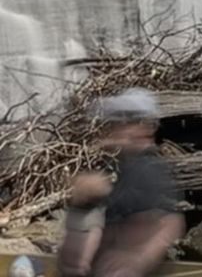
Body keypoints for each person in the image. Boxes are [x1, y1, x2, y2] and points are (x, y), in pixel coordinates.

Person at [59, 88, 183, 277]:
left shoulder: (148, 170)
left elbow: (170, 223)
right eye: (113, 123)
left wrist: (138, 260)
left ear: (145, 127)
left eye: (123, 122)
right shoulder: (117, 168)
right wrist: (82, 203)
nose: (114, 129)